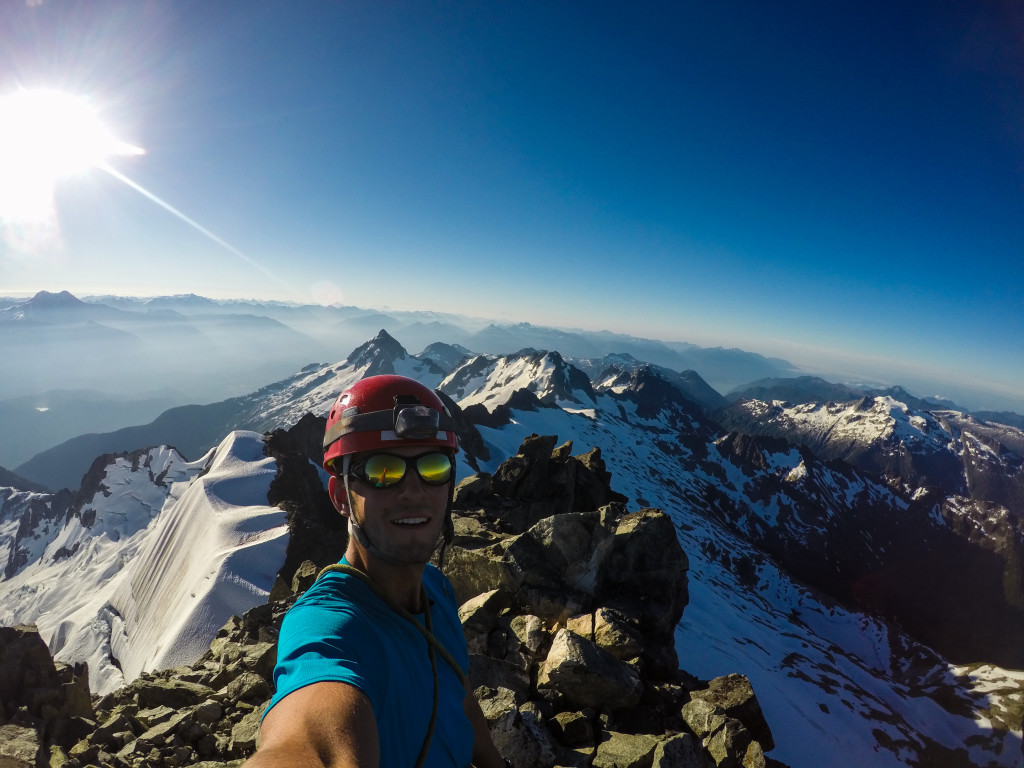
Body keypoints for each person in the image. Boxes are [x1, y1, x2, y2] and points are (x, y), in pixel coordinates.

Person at [245, 375, 508, 768]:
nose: (414, 491)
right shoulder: (328, 626)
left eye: (433, 467)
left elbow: (458, 696)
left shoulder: (437, 589)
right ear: (340, 497)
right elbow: (305, 740)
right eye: (383, 470)